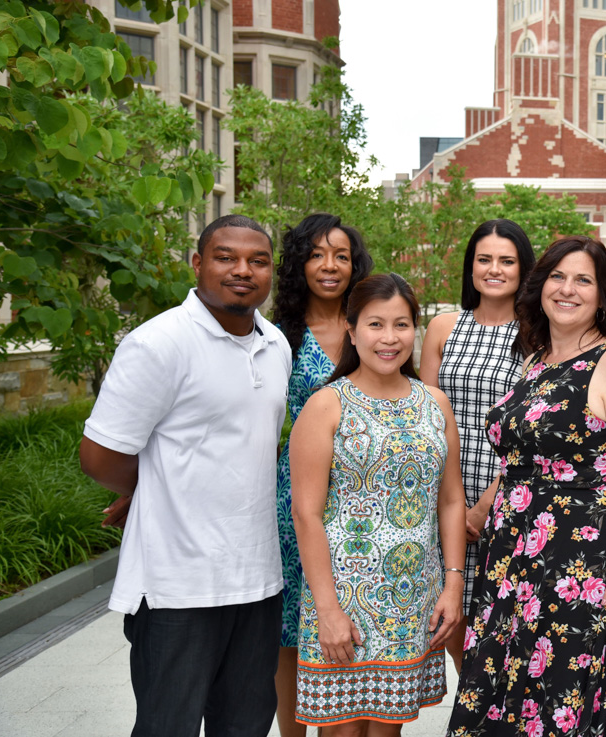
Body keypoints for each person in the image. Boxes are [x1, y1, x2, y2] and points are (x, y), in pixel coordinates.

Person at [447, 236, 606, 737]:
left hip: (582, 566)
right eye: (557, 277)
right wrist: (485, 506)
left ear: (604, 295)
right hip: (513, 563)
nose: (567, 289)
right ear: (541, 285)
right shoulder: (535, 361)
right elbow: (524, 457)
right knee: (505, 696)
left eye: (583, 280)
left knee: (561, 700)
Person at [79, 214, 291, 737]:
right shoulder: (158, 344)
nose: (243, 270)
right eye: (226, 257)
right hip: (178, 587)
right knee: (166, 727)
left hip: (258, 579)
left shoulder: (277, 344)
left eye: (257, 261)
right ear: (198, 263)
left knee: (244, 726)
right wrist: (150, 488)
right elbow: (100, 455)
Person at [290, 273, 467, 735]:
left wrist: (453, 584)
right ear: (352, 331)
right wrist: (327, 610)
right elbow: (305, 514)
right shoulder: (326, 405)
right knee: (342, 729)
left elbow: (450, 501)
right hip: (344, 598)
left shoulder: (435, 403)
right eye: (375, 325)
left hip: (411, 596)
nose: (389, 338)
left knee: (389, 727)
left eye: (402, 325)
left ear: (416, 331)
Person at [270, 213, 374, 737]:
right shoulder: (277, 336)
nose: (329, 266)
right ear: (299, 264)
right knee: (293, 627)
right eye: (316, 254)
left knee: (355, 614)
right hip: (297, 495)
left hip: (363, 496)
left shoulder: (370, 326)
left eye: (340, 255)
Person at [419, 218, 535, 671]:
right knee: (456, 632)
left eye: (507, 261)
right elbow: (424, 418)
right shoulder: (443, 327)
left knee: (502, 641)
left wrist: (486, 503)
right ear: (470, 267)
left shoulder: (536, 336)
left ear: (523, 270)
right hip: (443, 499)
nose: (494, 269)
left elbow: (532, 431)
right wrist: (445, 503)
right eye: (484, 259)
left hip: (507, 499)